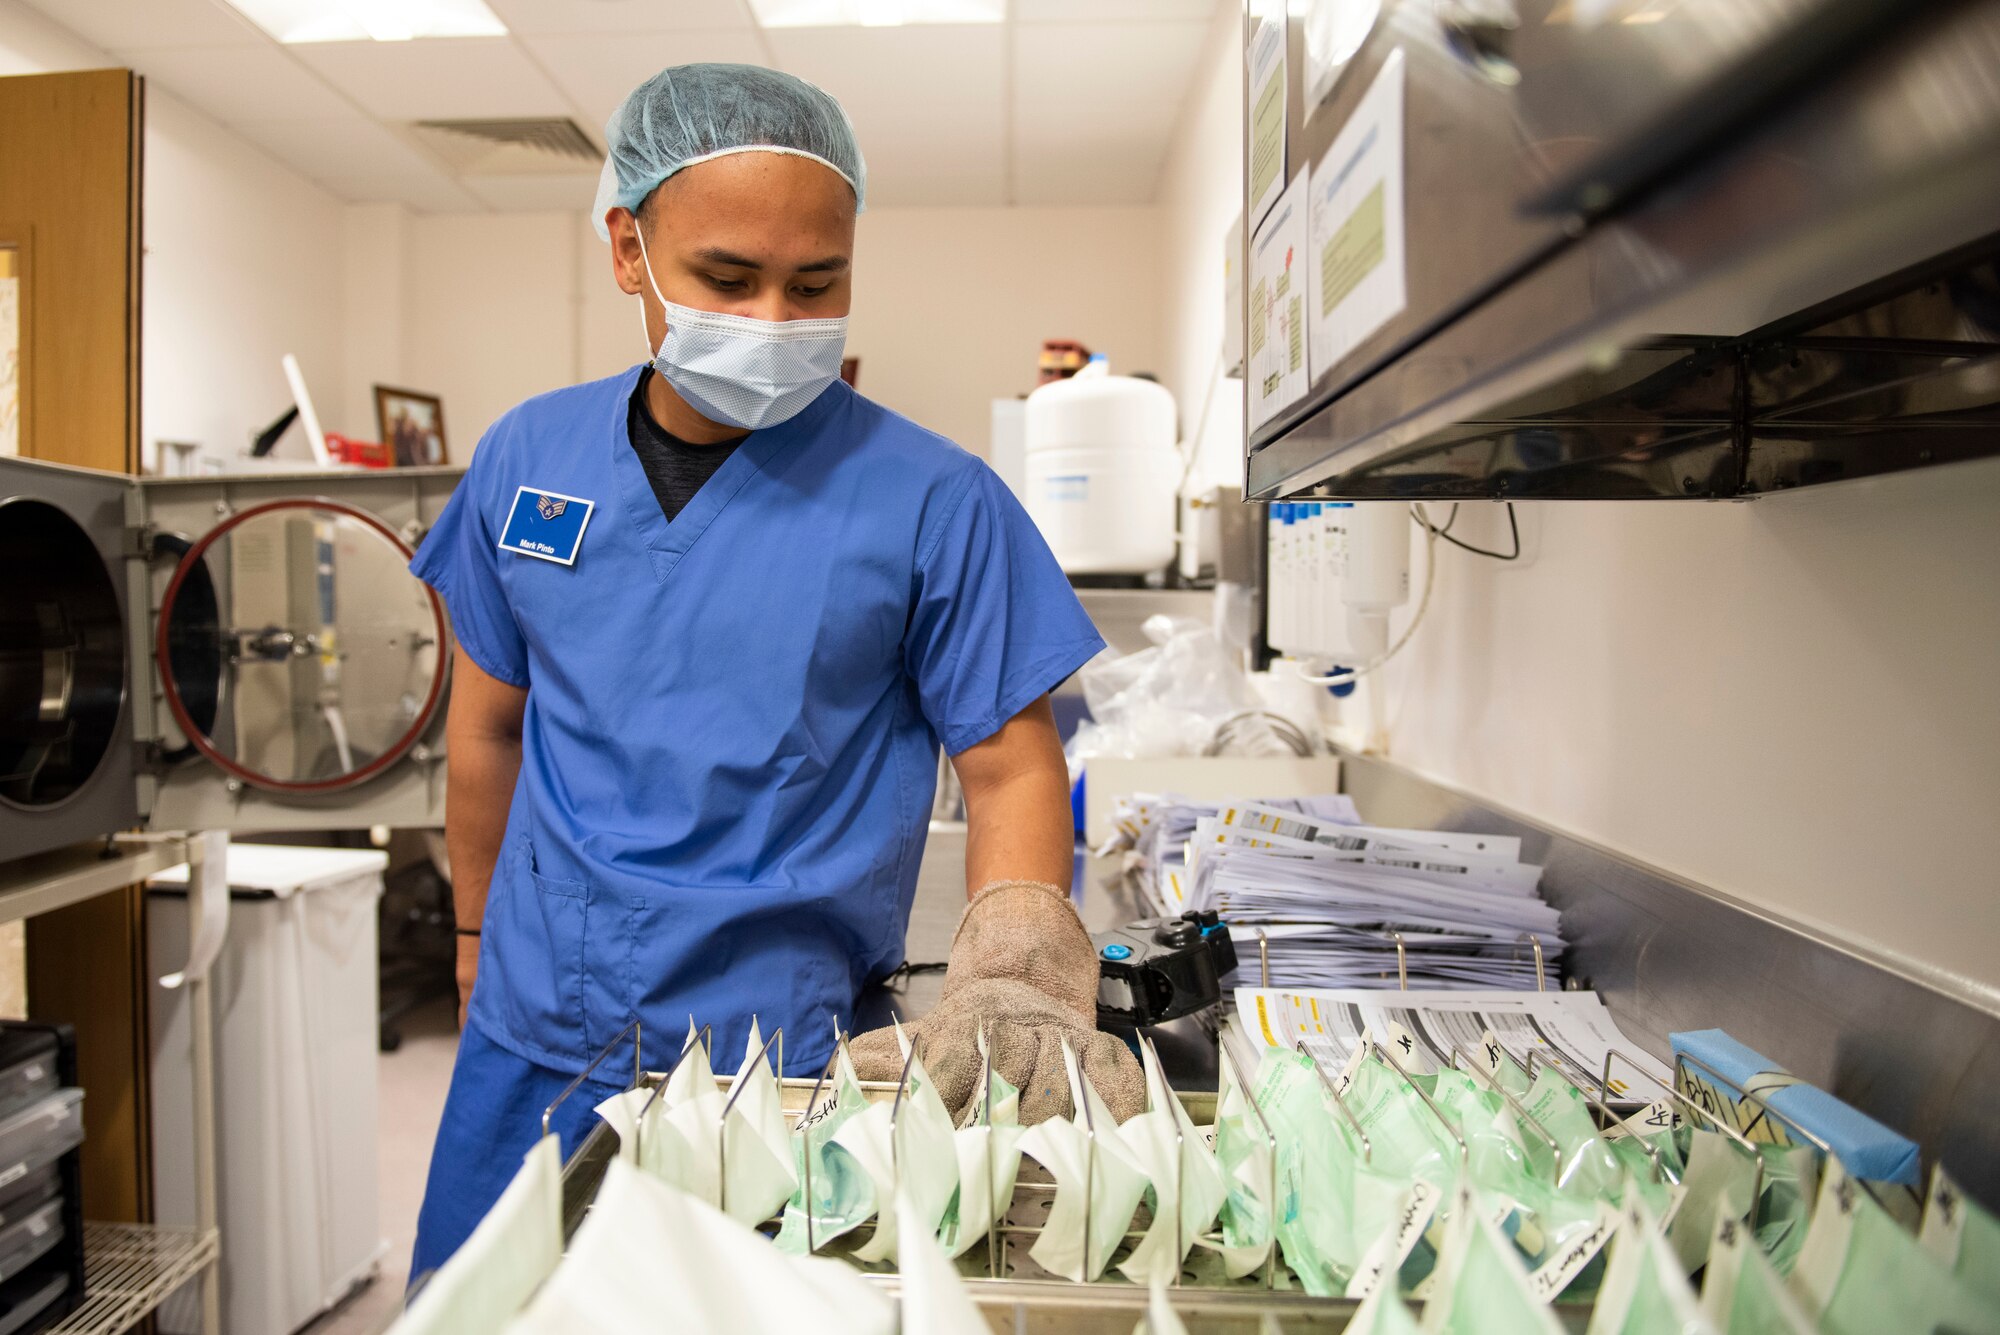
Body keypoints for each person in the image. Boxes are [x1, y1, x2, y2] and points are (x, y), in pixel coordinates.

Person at [405, 63, 1143, 1279]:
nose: (768, 320)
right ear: (627, 252)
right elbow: (485, 727)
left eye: (815, 285)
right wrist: (477, 934)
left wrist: (1015, 991)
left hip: (787, 1061)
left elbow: (1013, 770)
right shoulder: (527, 458)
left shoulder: (932, 500)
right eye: (726, 279)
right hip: (537, 1032)